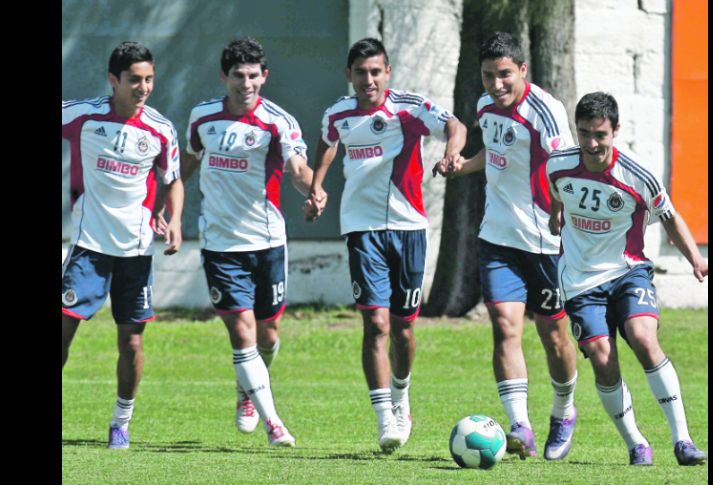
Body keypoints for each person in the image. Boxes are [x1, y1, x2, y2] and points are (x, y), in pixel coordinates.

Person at [304, 38, 467, 452]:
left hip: (410, 228)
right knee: (375, 324)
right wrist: (318, 186)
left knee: (403, 328)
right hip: (361, 229)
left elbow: (456, 126)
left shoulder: (407, 108)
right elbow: (326, 143)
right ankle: (383, 420)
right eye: (360, 72)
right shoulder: (338, 114)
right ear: (349, 75)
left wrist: (450, 154)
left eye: (375, 71)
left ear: (387, 72)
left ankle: (401, 395)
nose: (368, 80)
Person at [434, 31, 579, 461]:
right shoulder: (484, 105)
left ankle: (563, 412)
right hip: (497, 238)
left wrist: (559, 211)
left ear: (522, 70)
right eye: (487, 76)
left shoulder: (546, 111)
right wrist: (464, 165)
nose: (496, 85)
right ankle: (521, 427)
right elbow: (493, 153)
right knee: (504, 327)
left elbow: (565, 169)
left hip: (544, 244)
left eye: (504, 76)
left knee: (554, 336)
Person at [546, 91, 708, 466]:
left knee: (643, 338)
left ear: (615, 131)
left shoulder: (638, 175)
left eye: (600, 134)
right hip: (580, 282)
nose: (591, 143)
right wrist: (556, 214)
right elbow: (557, 193)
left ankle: (682, 440)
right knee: (603, 359)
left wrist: (696, 260)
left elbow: (668, 215)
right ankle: (636, 443)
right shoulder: (558, 165)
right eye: (584, 133)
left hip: (627, 270)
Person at [179, 37, 316, 447]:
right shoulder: (203, 117)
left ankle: (248, 389)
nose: (246, 83)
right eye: (238, 75)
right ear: (225, 76)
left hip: (268, 241)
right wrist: (163, 203)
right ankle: (275, 423)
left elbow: (297, 167)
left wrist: (313, 189)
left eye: (253, 75)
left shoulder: (279, 121)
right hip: (220, 244)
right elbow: (187, 162)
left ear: (264, 77)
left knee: (267, 333)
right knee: (241, 332)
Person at [61, 41, 184, 449]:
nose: (144, 87)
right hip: (89, 248)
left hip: (136, 251)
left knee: (131, 341)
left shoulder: (161, 130)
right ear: (113, 80)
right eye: (135, 79)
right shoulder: (83, 115)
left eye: (149, 79)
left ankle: (121, 422)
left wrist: (173, 218)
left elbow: (173, 180)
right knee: (63, 330)